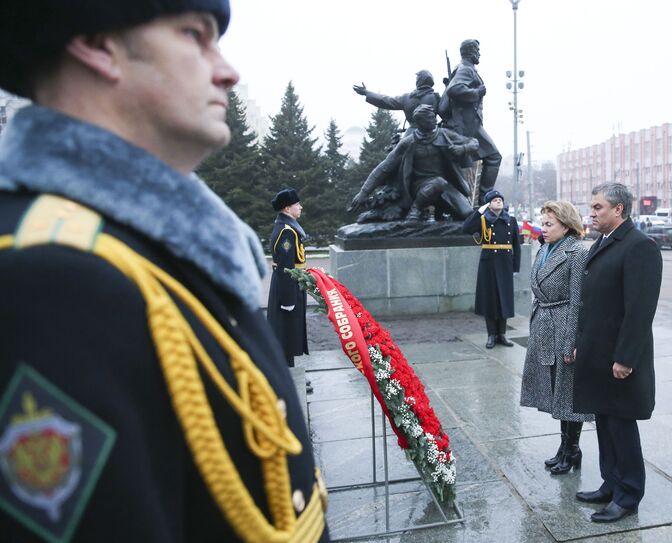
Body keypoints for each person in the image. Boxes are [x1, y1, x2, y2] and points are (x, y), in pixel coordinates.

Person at [0, 2, 329, 541]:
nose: (227, 70)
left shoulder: (157, 246)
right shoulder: (46, 276)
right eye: (195, 36)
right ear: (98, 44)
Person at [573, 183, 662, 523]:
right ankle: (610, 484)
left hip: (619, 358)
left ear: (618, 210)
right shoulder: (606, 241)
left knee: (622, 427)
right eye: (592, 207)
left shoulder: (640, 247)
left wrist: (626, 358)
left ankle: (628, 495)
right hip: (598, 354)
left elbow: (639, 311)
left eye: (597, 207)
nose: (591, 213)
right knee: (606, 423)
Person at [520, 201, 593, 475]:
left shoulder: (576, 253)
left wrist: (571, 341)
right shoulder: (544, 248)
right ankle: (564, 447)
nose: (544, 228)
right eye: (544, 223)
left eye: (550, 224)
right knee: (555, 391)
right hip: (545, 323)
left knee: (567, 393)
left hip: (564, 324)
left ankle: (572, 449)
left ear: (566, 224)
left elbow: (578, 301)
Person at [350, 104, 478, 221]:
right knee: (439, 182)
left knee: (467, 215)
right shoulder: (408, 142)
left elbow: (473, 142)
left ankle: (441, 209)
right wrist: (364, 192)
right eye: (431, 118)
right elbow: (384, 167)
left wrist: (463, 149)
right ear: (421, 122)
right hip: (418, 187)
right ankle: (415, 209)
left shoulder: (444, 135)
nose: (435, 120)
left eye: (434, 117)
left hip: (444, 188)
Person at [440, 39, 502, 203]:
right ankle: (484, 199)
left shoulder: (462, 68)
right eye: (477, 50)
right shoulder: (466, 69)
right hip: (467, 126)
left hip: (466, 124)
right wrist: (477, 92)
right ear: (470, 52)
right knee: (494, 157)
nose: (479, 54)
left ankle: (470, 201)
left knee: (458, 167)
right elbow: (454, 89)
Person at [462, 190, 521, 348]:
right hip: (488, 264)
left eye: (500, 199)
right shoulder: (483, 219)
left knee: (505, 300)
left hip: (505, 263)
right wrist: (479, 211)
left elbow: (516, 245)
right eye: (494, 200)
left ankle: (502, 334)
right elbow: (465, 228)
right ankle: (491, 335)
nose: (498, 202)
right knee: (490, 300)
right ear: (488, 204)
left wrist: (516, 267)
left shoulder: (512, 220)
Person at [267, 188, 310, 369]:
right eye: (296, 204)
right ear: (286, 209)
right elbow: (286, 266)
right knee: (284, 332)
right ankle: (287, 375)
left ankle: (291, 371)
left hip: (291, 284)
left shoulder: (289, 228)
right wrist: (288, 298)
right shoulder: (287, 232)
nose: (300, 207)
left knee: (289, 331)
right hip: (287, 286)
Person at [353, 70, 440, 133]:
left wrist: (367, 92)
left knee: (397, 156)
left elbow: (386, 100)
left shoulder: (407, 98)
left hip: (412, 134)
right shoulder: (436, 97)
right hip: (433, 133)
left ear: (419, 80)